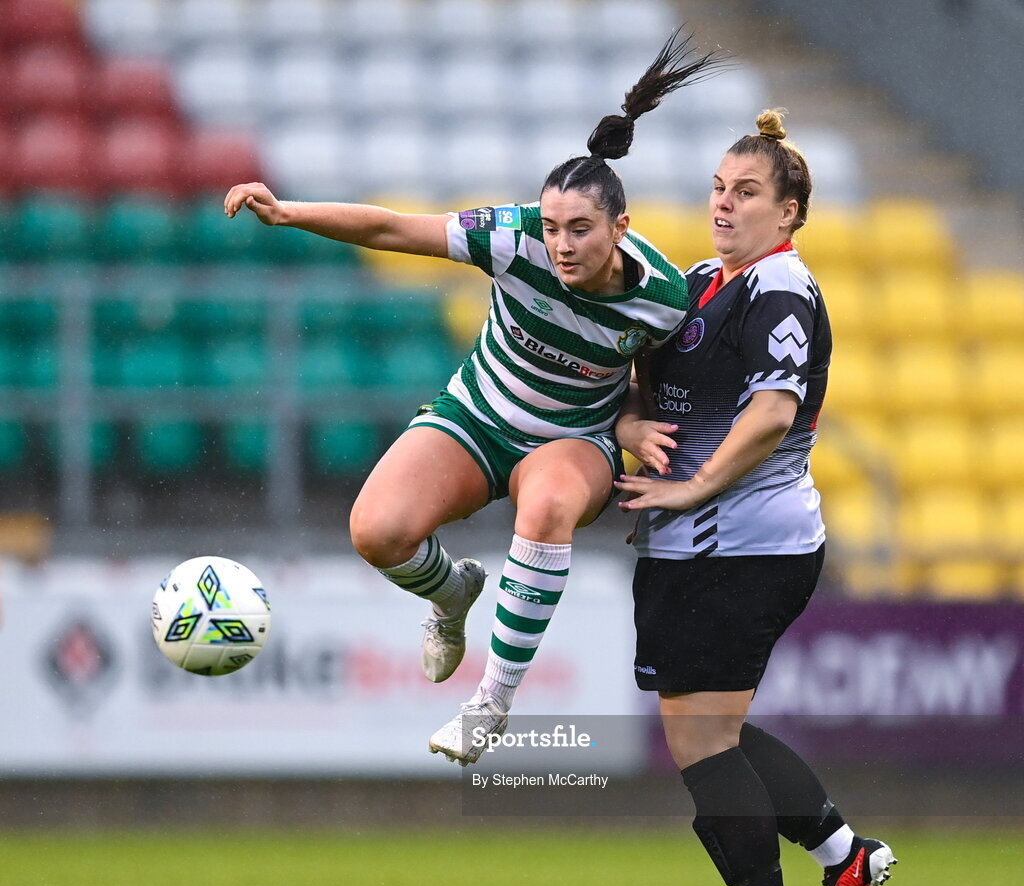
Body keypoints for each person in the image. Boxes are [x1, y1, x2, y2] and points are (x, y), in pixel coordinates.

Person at [225, 31, 722, 765]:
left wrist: (635, 425)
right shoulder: (513, 238)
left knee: (548, 505)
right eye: (552, 227)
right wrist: (290, 211)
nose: (561, 245)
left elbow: (643, 379)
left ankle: (490, 703)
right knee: (376, 531)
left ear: (622, 227)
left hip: (573, 439)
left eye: (580, 230)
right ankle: (453, 594)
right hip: (478, 416)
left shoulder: (663, 298)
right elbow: (395, 227)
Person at [614, 109, 897, 886]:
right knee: (707, 731)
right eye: (718, 188)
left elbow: (773, 413)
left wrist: (693, 484)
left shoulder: (781, 290)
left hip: (748, 543)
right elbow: (635, 377)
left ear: (790, 212)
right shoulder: (695, 278)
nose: (725, 206)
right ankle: (844, 854)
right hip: (684, 544)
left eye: (747, 193)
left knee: (702, 736)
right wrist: (629, 421)